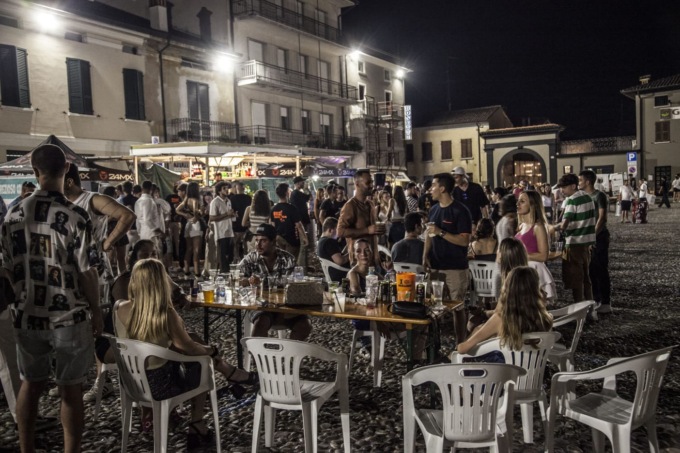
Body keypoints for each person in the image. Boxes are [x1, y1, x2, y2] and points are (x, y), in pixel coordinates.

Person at [1, 144, 102, 453]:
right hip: (69, 315)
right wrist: (97, 312)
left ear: (35, 171)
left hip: (27, 314)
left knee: (30, 385)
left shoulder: (13, 213)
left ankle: (26, 448)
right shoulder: (75, 215)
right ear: (67, 170)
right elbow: (87, 272)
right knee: (71, 390)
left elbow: (6, 268)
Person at [113, 258, 255, 447]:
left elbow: (161, 342)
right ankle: (197, 422)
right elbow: (188, 347)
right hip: (160, 385)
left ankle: (229, 373)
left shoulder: (119, 307)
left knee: (192, 342)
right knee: (201, 362)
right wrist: (212, 351)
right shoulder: (164, 313)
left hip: (132, 381)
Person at [238, 224, 312, 341]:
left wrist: (262, 281)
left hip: (286, 306)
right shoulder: (250, 259)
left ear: (273, 242)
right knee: (261, 322)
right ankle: (257, 353)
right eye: (256, 240)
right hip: (260, 305)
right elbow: (236, 277)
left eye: (263, 241)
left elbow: (295, 284)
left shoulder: (287, 259)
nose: (258, 245)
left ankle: (288, 352)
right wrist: (246, 281)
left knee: (305, 326)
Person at [457, 266, 553, 355]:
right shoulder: (546, 318)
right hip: (535, 367)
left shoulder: (501, 319)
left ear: (508, 289)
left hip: (502, 367)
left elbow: (462, 349)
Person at [424, 172, 472, 302]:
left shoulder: (460, 211)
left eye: (433, 185)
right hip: (435, 266)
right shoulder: (433, 209)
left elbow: (464, 241)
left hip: (455, 268)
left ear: (442, 189)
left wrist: (440, 232)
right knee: (434, 305)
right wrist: (425, 255)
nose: (430, 189)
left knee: (456, 306)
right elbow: (429, 234)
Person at [555, 173, 596, 303]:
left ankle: (579, 306)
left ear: (573, 186)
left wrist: (551, 228)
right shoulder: (588, 197)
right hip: (586, 243)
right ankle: (590, 306)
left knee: (575, 278)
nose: (562, 190)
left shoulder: (572, 200)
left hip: (573, 243)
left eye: (564, 187)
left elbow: (564, 224)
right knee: (586, 277)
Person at [579, 170, 612, 314]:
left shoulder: (599, 195)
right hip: (587, 238)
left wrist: (592, 236)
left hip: (599, 237)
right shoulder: (583, 197)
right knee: (590, 269)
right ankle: (596, 299)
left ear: (587, 182)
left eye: (580, 180)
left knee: (600, 268)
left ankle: (606, 302)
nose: (578, 183)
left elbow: (602, 217)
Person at [338, 169, 385, 265]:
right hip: (359, 261)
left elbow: (372, 229)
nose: (371, 185)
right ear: (357, 184)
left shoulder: (370, 204)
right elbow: (340, 232)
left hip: (373, 259)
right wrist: (367, 230)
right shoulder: (350, 206)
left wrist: (378, 230)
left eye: (372, 182)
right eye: (368, 183)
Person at [270, 183, 309, 264]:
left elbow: (272, 225)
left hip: (279, 238)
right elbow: (299, 225)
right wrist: (304, 237)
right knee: (291, 261)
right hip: (291, 239)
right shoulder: (292, 208)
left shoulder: (274, 209)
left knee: (282, 260)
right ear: (286, 193)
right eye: (289, 190)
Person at [176, 182, 204, 276]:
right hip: (195, 225)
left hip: (188, 224)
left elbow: (177, 210)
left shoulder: (186, 199)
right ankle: (197, 272)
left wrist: (185, 215)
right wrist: (200, 213)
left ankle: (186, 270)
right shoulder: (195, 200)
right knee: (196, 250)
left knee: (189, 248)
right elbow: (196, 212)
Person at [515, 190, 549, 262]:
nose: (517, 204)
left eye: (522, 201)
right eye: (518, 201)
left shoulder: (538, 227)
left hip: (534, 266)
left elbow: (543, 256)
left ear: (533, 204)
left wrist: (518, 255)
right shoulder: (521, 225)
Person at [209, 181, 236, 273]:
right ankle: (223, 274)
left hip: (229, 231)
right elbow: (212, 218)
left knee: (230, 255)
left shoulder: (228, 201)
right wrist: (226, 214)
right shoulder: (215, 202)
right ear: (219, 191)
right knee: (223, 256)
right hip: (221, 233)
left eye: (227, 188)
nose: (227, 190)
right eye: (224, 188)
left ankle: (228, 273)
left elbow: (228, 215)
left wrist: (233, 215)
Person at [134, 180, 164, 254]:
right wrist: (158, 231)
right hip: (151, 233)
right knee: (154, 253)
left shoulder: (138, 201)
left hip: (143, 232)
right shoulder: (149, 201)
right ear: (151, 189)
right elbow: (147, 219)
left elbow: (137, 219)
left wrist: (139, 231)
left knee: (146, 254)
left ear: (142, 188)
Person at [317, 217, 349, 281]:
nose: (338, 233)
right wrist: (352, 253)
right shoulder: (329, 242)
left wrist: (349, 245)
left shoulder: (321, 241)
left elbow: (339, 255)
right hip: (340, 275)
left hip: (333, 273)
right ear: (330, 230)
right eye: (337, 230)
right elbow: (340, 261)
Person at [229, 181, 252, 263]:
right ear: (243, 188)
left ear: (236, 188)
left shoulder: (232, 198)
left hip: (236, 224)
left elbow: (231, 211)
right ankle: (246, 260)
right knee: (246, 244)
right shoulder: (248, 198)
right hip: (246, 224)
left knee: (236, 244)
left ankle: (236, 259)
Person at [289, 176, 312, 251]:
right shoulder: (296, 193)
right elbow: (310, 197)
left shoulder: (295, 193)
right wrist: (307, 189)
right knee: (303, 238)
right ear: (298, 183)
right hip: (301, 219)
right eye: (302, 182)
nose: (304, 183)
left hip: (300, 219)